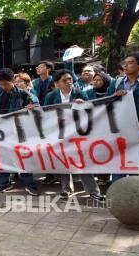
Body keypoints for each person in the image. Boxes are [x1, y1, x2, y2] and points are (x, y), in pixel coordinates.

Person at [43, 69, 105, 202]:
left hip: (77, 134)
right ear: (57, 83)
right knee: (64, 161)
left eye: (70, 79)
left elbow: (89, 111)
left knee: (82, 161)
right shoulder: (50, 96)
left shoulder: (80, 93)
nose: (69, 82)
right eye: (64, 80)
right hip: (59, 134)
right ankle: (66, 189)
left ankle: (93, 191)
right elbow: (46, 115)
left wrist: (83, 105)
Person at [106, 51, 139, 182]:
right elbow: (106, 105)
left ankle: (135, 199)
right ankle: (116, 198)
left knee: (137, 169)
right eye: (124, 63)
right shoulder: (116, 83)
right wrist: (115, 97)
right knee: (118, 168)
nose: (125, 66)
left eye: (130, 63)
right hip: (119, 134)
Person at [0, 68, 39, 195]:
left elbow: (36, 105)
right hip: (3, 133)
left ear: (12, 81)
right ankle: (4, 182)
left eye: (6, 83)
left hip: (21, 133)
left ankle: (30, 184)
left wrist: (32, 106)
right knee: (3, 158)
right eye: (0, 84)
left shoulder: (24, 94)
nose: (3, 86)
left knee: (23, 158)